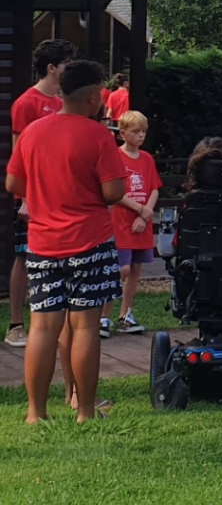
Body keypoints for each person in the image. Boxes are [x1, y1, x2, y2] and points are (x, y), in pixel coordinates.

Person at [4, 60, 125, 423]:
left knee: (42, 326)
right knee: (85, 326)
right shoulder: (98, 136)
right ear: (91, 98)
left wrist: (44, 191)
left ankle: (34, 413)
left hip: (42, 243)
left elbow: (13, 185)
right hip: (89, 240)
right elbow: (113, 191)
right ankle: (85, 411)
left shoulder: (33, 133)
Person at [6, 39, 75, 349]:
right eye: (66, 64)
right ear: (52, 68)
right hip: (33, 196)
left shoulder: (65, 102)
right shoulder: (26, 103)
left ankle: (53, 322)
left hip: (61, 195)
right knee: (24, 257)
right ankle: (15, 325)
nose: (69, 70)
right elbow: (20, 155)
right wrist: (26, 199)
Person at [101, 110, 162, 337]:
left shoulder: (147, 158)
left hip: (141, 223)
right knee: (121, 268)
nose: (140, 136)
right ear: (123, 134)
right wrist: (138, 210)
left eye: (143, 131)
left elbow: (154, 187)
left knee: (135, 268)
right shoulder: (115, 157)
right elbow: (114, 192)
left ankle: (126, 313)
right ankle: (104, 316)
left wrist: (146, 214)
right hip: (120, 221)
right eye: (135, 131)